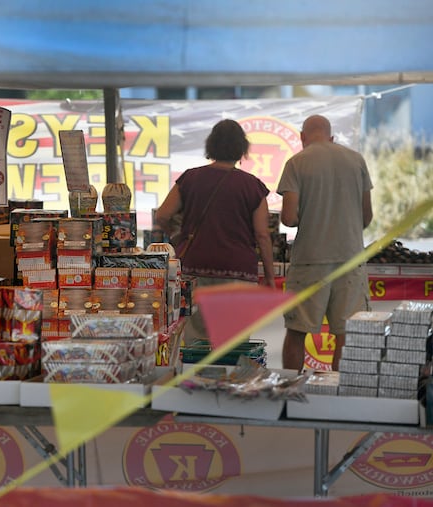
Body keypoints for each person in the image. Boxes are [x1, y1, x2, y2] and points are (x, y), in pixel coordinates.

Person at [155, 119, 276, 346]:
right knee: (233, 341)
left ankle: (197, 380)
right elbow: (262, 235)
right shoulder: (252, 186)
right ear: (242, 148)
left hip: (195, 268)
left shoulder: (190, 178)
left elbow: (162, 214)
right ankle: (231, 380)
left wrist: (177, 234)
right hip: (238, 273)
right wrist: (269, 277)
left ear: (211, 145)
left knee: (196, 340)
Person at [277, 115, 373, 371]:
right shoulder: (356, 160)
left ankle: (290, 392)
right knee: (345, 334)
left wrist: (312, 216)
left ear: (302, 137)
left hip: (309, 260)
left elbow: (288, 218)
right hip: (350, 260)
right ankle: (339, 399)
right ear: (331, 138)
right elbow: (367, 216)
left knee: (297, 332)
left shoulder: (296, 163)